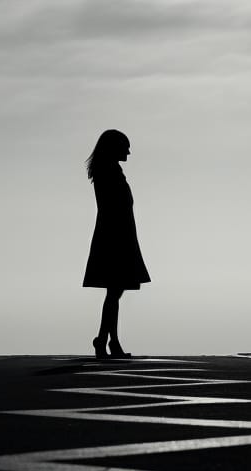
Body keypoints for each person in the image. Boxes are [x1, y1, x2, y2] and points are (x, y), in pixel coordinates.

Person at [83, 129, 150, 359]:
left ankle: (107, 339)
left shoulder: (107, 169)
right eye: (125, 147)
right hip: (116, 236)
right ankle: (108, 340)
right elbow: (116, 204)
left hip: (116, 234)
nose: (129, 152)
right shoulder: (109, 170)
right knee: (114, 292)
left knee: (115, 292)